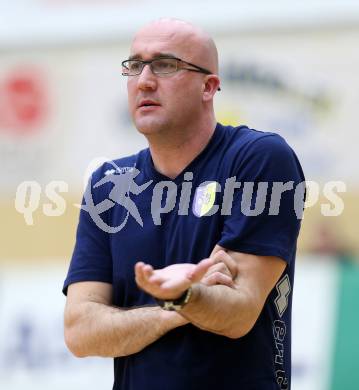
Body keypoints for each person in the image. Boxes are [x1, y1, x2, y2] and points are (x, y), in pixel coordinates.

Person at [63, 18, 305, 390]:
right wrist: (176, 305)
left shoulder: (259, 158)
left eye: (165, 65)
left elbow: (238, 313)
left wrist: (178, 297)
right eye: (134, 65)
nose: (144, 80)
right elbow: (80, 332)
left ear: (208, 86)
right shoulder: (107, 185)